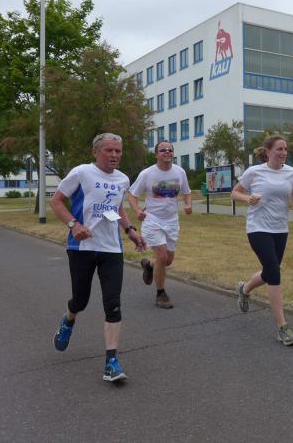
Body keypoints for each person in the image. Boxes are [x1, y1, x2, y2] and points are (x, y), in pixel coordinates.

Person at [50, 133, 146, 382]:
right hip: (81, 248)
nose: (114, 155)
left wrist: (130, 230)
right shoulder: (82, 172)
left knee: (113, 303)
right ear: (96, 152)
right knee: (80, 300)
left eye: (118, 151)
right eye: (109, 150)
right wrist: (73, 224)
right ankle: (68, 320)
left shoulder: (122, 179)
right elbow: (57, 201)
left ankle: (111, 361)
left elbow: (117, 206)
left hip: (111, 249)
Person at [231, 135, 293, 346]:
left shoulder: (292, 173)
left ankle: (244, 289)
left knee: (269, 272)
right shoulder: (254, 171)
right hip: (258, 228)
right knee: (274, 272)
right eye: (279, 149)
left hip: (280, 228)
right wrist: (248, 198)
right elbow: (235, 193)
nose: (283, 153)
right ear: (268, 151)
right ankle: (283, 327)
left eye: (285, 149)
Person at [126, 141, 192, 309]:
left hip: (172, 221)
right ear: (156, 154)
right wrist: (137, 210)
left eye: (170, 150)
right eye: (163, 150)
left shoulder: (179, 172)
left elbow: (187, 192)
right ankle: (160, 294)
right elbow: (132, 195)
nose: (167, 152)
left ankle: (149, 266)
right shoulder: (147, 174)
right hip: (153, 220)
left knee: (167, 261)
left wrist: (188, 204)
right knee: (162, 257)